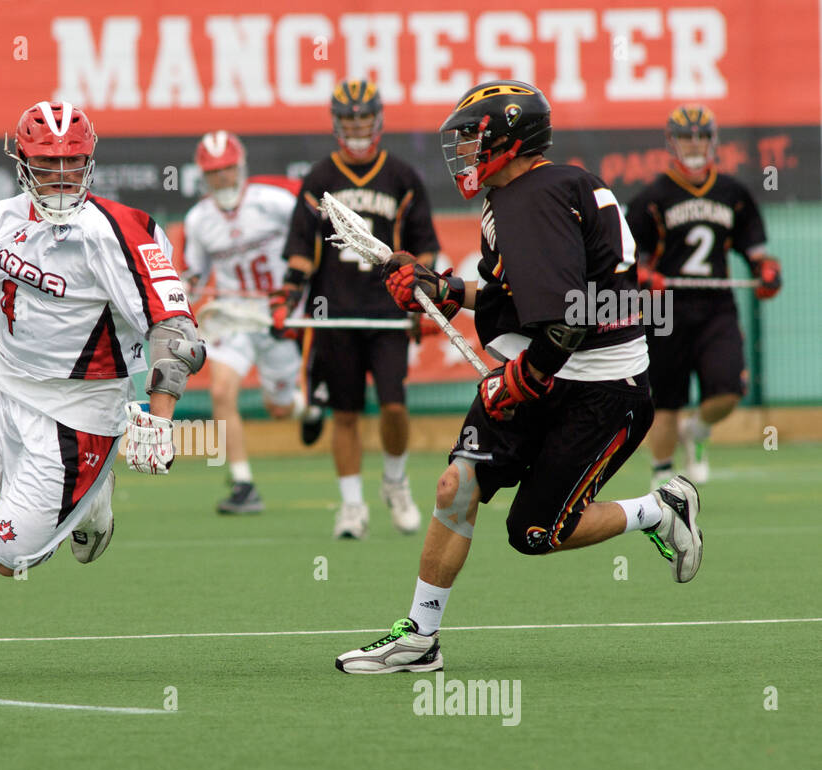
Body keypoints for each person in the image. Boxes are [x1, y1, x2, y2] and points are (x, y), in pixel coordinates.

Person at [335, 80, 702, 675]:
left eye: (473, 138)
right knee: (458, 486)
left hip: (600, 390)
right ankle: (420, 639)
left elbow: (566, 322)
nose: (464, 152)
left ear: (509, 137)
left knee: (535, 531)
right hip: (551, 365)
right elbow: (516, 296)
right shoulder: (529, 193)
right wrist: (444, 289)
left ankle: (658, 509)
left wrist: (518, 381)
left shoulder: (533, 198)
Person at [0, 100, 204, 678]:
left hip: (79, 412)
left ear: (91, 161)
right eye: (48, 164)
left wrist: (161, 415)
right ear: (21, 163)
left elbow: (177, 330)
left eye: (73, 162)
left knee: (6, 558)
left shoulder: (120, 231)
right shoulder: (2, 218)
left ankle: (95, 495)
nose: (62, 176)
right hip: (0, 388)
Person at [278, 78, 439, 540]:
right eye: (348, 120)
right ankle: (351, 507)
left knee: (394, 406)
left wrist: (423, 297)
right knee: (344, 413)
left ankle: (396, 482)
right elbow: (301, 251)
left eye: (363, 119)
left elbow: (424, 248)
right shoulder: (319, 178)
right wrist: (287, 295)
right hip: (337, 313)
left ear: (378, 120)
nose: (356, 128)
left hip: (387, 313)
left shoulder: (403, 176)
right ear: (336, 123)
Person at [626, 104, 782, 488]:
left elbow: (755, 251)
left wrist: (766, 271)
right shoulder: (652, 197)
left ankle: (697, 430)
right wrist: (644, 275)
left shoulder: (733, 192)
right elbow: (628, 260)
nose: (693, 144)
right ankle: (662, 479)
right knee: (664, 404)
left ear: (713, 141)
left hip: (716, 309)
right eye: (685, 137)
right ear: (671, 142)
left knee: (728, 389)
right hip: (665, 310)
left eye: (700, 136)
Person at [183, 130, 301, 514]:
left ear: (241, 167)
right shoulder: (199, 219)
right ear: (203, 175)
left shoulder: (274, 202)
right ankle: (243, 483)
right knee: (221, 392)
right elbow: (194, 273)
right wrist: (187, 290)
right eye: (214, 172)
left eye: (228, 169)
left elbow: (310, 239)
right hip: (232, 314)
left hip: (277, 313)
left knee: (279, 407)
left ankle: (306, 408)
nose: (222, 178)